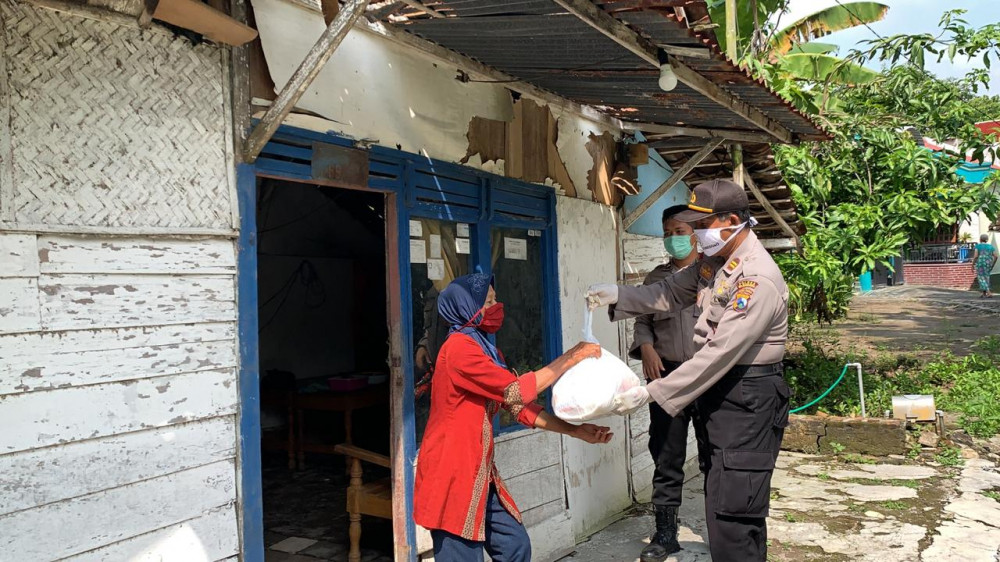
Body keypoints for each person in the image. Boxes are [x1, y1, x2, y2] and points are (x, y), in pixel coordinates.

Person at [587, 178, 791, 562]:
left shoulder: (755, 278)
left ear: (731, 220)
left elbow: (719, 353)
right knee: (722, 500)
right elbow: (666, 292)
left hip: (746, 395)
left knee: (734, 510)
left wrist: (653, 392)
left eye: (702, 225)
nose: (696, 234)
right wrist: (618, 294)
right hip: (722, 392)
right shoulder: (715, 264)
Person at [415, 272, 614, 562]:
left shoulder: (485, 349)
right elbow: (517, 390)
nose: (497, 307)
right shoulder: (458, 349)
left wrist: (575, 430)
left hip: (479, 472)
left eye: (496, 299)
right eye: (489, 301)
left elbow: (517, 406)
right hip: (452, 475)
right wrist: (572, 356)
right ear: (466, 309)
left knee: (514, 546)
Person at [631, 205, 702, 561]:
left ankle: (722, 528)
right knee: (666, 452)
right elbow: (642, 319)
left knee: (715, 452)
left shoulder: (713, 273)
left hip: (709, 373)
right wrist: (645, 347)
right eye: (667, 232)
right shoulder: (656, 278)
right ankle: (665, 533)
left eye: (679, 231)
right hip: (666, 373)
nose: (672, 238)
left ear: (695, 234)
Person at [972, 234, 996, 298]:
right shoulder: (990, 246)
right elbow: (995, 256)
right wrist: (993, 264)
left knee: (981, 278)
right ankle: (984, 293)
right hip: (988, 263)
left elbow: (976, 256)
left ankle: (988, 292)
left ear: (980, 239)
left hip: (981, 263)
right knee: (986, 277)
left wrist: (972, 264)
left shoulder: (978, 246)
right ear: (987, 240)